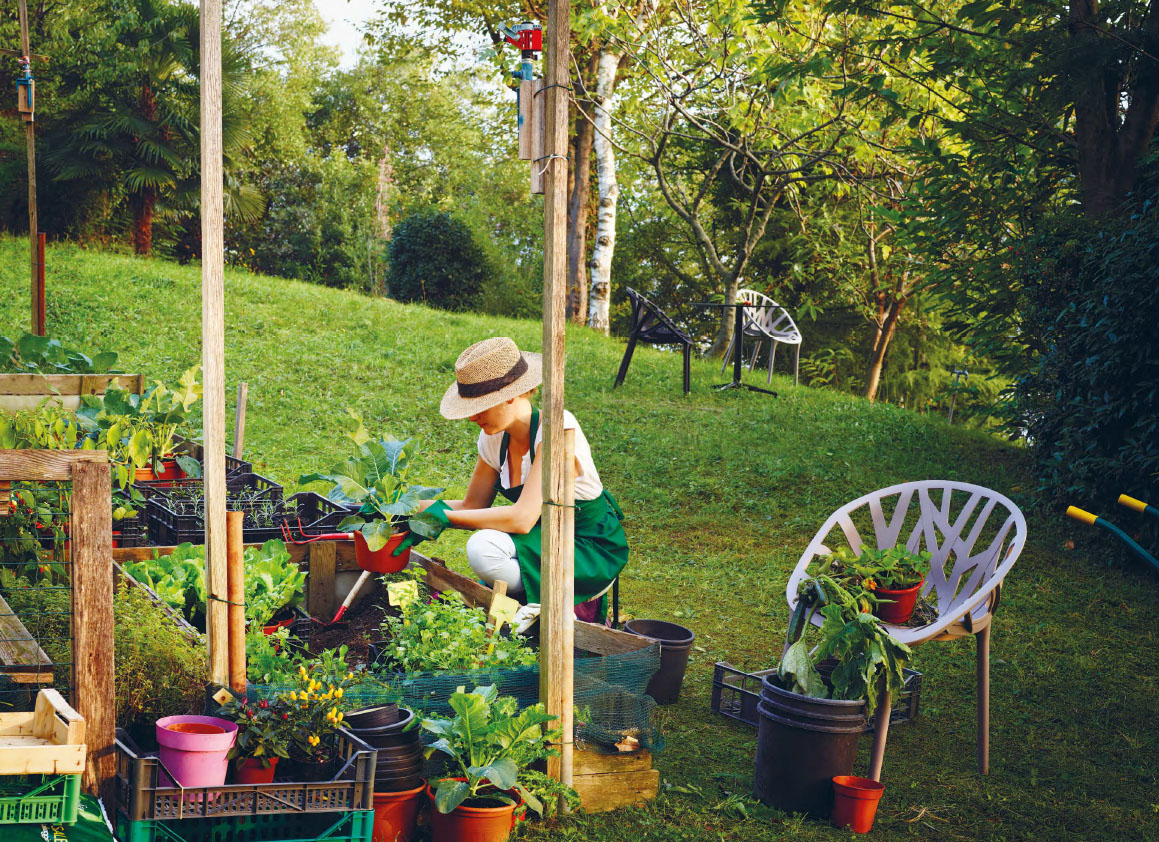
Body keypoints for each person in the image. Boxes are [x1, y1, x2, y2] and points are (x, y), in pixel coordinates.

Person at [394, 336, 628, 621]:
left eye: (479, 406)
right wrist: (400, 507)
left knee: (482, 549)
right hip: (540, 538)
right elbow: (471, 505)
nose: (471, 418)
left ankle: (543, 615)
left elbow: (521, 519)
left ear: (510, 395)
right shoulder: (494, 439)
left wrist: (444, 517)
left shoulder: (558, 430)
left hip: (584, 548)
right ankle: (517, 615)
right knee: (486, 547)